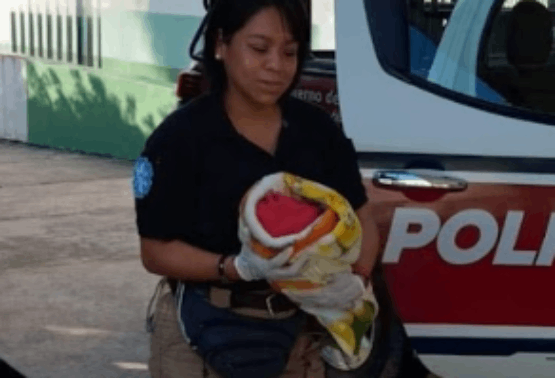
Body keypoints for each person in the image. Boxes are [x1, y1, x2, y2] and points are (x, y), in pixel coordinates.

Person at [133, 0, 381, 377]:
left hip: (297, 335)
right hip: (199, 333)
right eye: (259, 48)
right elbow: (155, 252)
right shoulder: (180, 139)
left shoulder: (317, 132)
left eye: (290, 52)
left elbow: (361, 214)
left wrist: (352, 288)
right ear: (221, 44)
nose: (275, 66)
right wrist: (237, 268)